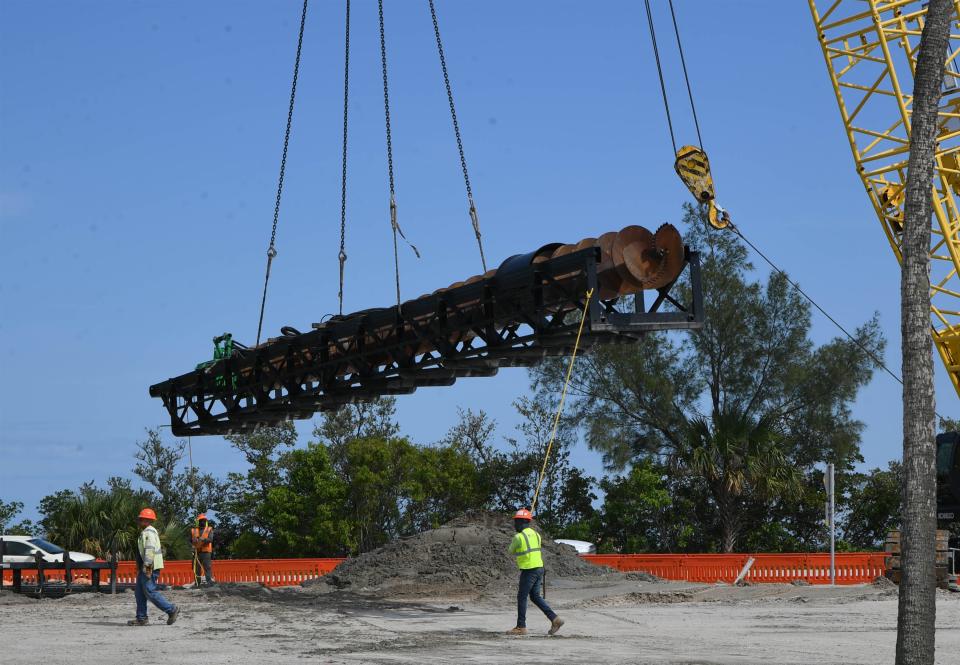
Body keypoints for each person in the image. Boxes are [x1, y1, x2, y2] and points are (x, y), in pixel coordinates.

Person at [506, 508, 563, 636]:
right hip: (539, 568)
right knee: (535, 596)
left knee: (522, 597)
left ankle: (521, 626)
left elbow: (510, 551)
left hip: (529, 569)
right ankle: (555, 619)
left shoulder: (518, 537)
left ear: (521, 522)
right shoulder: (537, 535)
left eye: (516, 522)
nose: (515, 525)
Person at [128, 508, 179, 626]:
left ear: (146, 520)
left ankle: (171, 609)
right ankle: (141, 618)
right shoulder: (148, 532)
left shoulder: (148, 533)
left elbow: (149, 551)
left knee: (150, 591)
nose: (139, 521)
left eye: (141, 519)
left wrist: (147, 568)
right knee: (139, 593)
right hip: (146, 567)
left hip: (150, 566)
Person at [190, 513, 215, 587]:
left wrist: (203, 539)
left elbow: (210, 539)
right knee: (196, 568)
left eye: (204, 520)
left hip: (206, 552)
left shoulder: (209, 529)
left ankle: (209, 583)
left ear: (206, 521)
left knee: (207, 567)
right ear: (198, 521)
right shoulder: (193, 530)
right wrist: (193, 542)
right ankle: (197, 583)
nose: (202, 522)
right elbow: (189, 540)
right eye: (201, 520)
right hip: (196, 552)